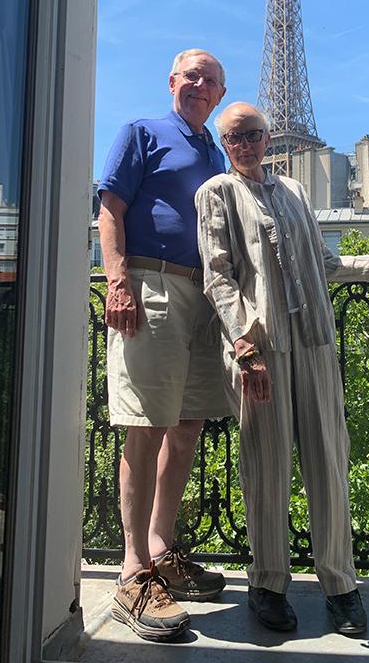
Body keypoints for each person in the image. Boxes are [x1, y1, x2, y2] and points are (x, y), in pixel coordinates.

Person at [195, 102, 369, 636]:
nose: (247, 144)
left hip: (316, 343)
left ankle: (340, 584)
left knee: (329, 461)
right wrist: (245, 347)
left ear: (269, 137)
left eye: (254, 134)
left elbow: (324, 262)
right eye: (235, 137)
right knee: (266, 468)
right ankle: (268, 583)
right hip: (263, 348)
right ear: (225, 145)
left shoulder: (295, 191)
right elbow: (218, 275)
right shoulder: (217, 193)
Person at [97, 49, 230, 642]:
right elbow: (110, 208)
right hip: (151, 285)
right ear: (172, 82)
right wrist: (118, 280)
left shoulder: (216, 152)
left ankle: (160, 548)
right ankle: (132, 570)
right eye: (192, 75)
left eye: (211, 80)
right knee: (145, 425)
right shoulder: (141, 133)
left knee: (188, 424)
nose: (200, 85)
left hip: (204, 297)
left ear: (219, 96)